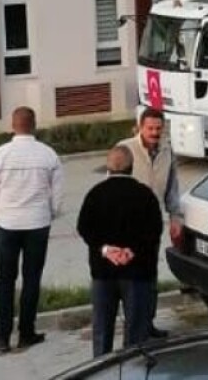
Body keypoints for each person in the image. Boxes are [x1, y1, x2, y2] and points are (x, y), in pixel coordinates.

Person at [0, 106, 64, 352]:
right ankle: (27, 332)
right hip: (37, 223)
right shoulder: (48, 155)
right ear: (34, 124)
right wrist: (50, 213)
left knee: (5, 280)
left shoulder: (0, 155)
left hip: (8, 223)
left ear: (13, 125)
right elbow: (57, 194)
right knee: (32, 279)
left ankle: (2, 337)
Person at [77, 146, 163, 357]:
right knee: (136, 333)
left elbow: (84, 227)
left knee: (102, 331)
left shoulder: (95, 195)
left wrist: (106, 250)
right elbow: (154, 230)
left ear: (107, 168)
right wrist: (131, 251)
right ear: (132, 168)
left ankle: (100, 371)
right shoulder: (145, 195)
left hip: (103, 274)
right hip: (137, 273)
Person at [117, 107, 182, 339]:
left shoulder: (167, 150)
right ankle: (132, 326)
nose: (154, 133)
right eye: (150, 128)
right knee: (132, 278)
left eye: (158, 128)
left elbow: (172, 189)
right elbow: (112, 188)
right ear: (140, 127)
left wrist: (176, 217)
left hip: (153, 226)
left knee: (150, 276)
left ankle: (147, 322)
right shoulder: (125, 149)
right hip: (128, 227)